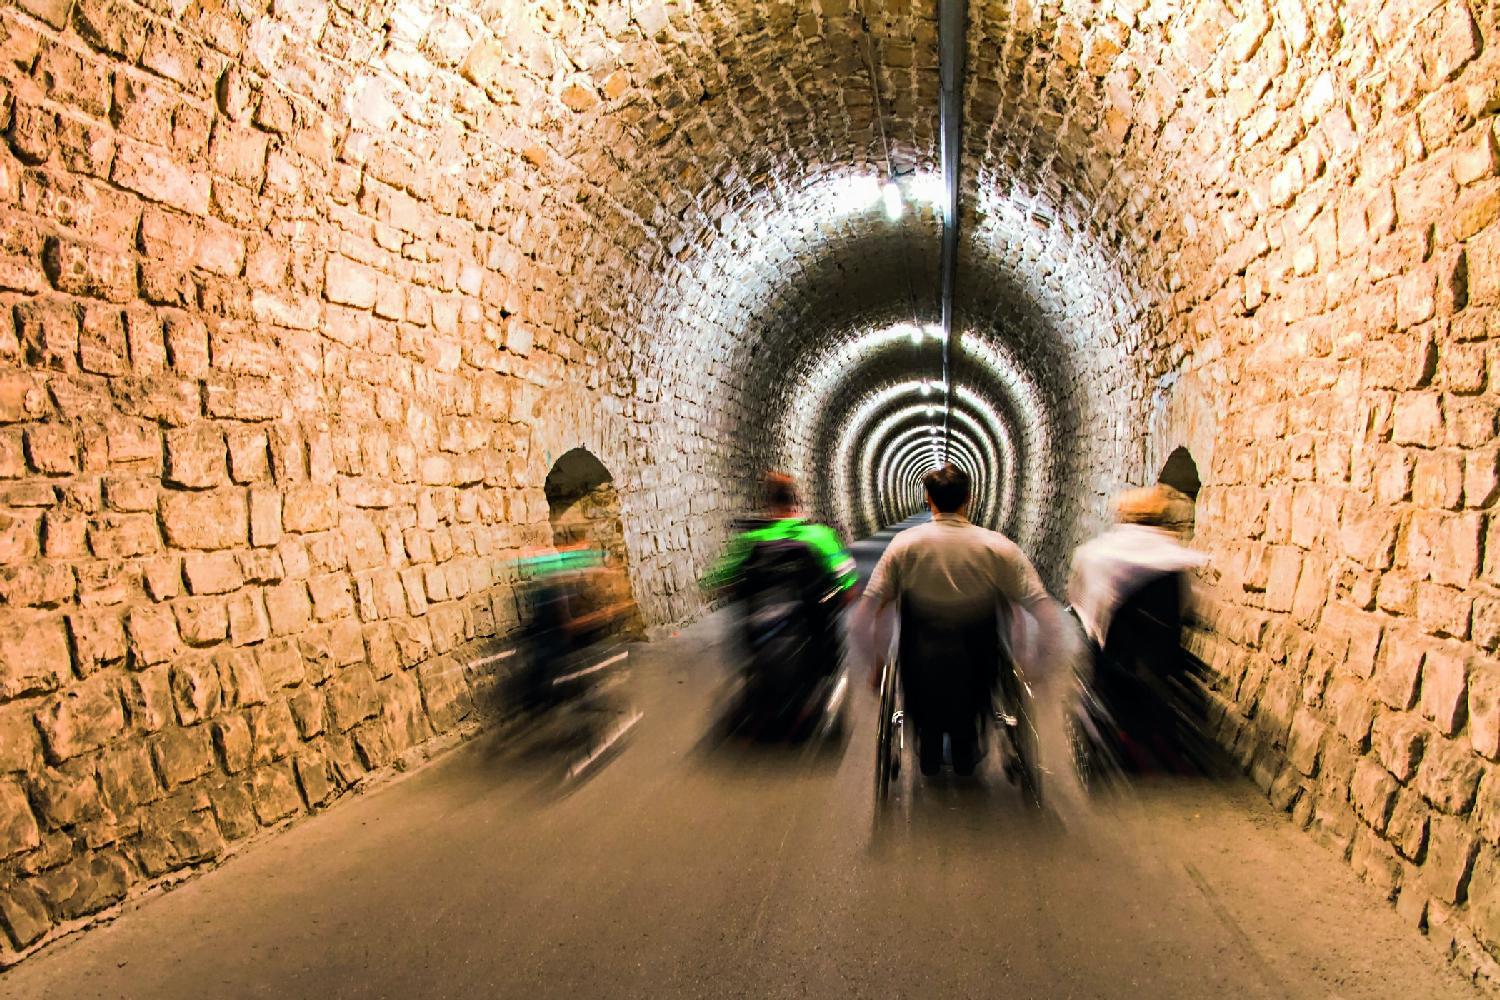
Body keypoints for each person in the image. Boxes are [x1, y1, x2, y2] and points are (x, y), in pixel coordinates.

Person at [855, 463, 1066, 777]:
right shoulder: (998, 547)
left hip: (919, 662)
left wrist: (877, 665)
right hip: (979, 663)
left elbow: (868, 613)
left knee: (923, 695)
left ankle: (928, 747)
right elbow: (1045, 613)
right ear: (969, 497)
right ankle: (966, 748)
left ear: (928, 498)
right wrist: (1035, 666)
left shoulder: (904, 546)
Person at [702, 473, 858, 733]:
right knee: (830, 621)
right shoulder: (819, 536)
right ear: (796, 502)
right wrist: (845, 592)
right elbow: (847, 577)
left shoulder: (753, 539)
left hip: (760, 630)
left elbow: (719, 577)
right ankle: (824, 681)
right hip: (812, 627)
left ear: (770, 504)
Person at [1067, 485, 1208, 771]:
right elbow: (1184, 607)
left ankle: (1116, 733)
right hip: (1162, 654)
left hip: (1115, 656)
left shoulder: (1096, 554)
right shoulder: (1172, 556)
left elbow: (1081, 602)